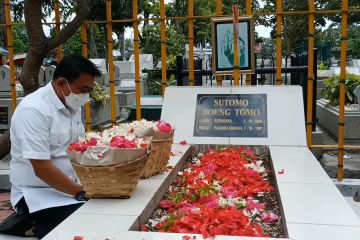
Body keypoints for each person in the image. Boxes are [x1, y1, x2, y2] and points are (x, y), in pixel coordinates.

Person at [0, 54, 101, 239]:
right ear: (62, 83)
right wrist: (81, 193)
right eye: (84, 89)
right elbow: (42, 168)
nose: (86, 96)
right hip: (36, 194)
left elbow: (77, 147)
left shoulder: (71, 104)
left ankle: (34, 225)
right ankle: (28, 223)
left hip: (70, 186)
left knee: (105, 209)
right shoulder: (34, 111)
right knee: (90, 219)